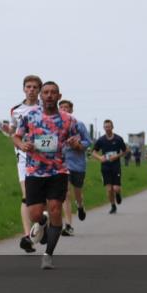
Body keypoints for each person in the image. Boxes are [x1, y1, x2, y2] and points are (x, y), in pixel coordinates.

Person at [12, 81, 81, 270]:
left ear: (59, 96)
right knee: (35, 214)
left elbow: (78, 141)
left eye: (53, 93)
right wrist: (22, 145)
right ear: (41, 96)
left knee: (55, 209)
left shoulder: (69, 120)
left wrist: (76, 143)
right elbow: (16, 136)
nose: (49, 95)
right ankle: (42, 223)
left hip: (58, 170)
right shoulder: (30, 116)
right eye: (46, 92)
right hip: (34, 171)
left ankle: (48, 254)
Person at [0, 75, 42, 253]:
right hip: (23, 156)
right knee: (27, 196)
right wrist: (8, 132)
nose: (31, 90)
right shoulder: (16, 110)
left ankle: (40, 227)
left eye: (34, 87)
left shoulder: (45, 108)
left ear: (39, 90)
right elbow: (14, 132)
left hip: (43, 157)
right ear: (24, 89)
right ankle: (27, 236)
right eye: (28, 87)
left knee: (42, 199)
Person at [58, 99, 90, 234]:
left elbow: (88, 142)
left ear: (71, 110)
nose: (64, 110)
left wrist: (77, 145)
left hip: (78, 164)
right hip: (62, 163)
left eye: (66, 108)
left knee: (77, 192)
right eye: (62, 108)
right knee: (65, 193)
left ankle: (80, 206)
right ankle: (68, 225)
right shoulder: (55, 125)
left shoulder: (79, 125)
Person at [91, 120, 128, 214]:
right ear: (104, 128)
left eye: (109, 126)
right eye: (105, 127)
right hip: (105, 166)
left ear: (112, 127)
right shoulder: (101, 140)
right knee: (109, 189)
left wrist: (116, 156)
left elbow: (125, 151)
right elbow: (93, 152)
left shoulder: (118, 139)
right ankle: (113, 206)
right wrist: (100, 158)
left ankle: (118, 194)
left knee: (116, 188)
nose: (107, 128)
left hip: (115, 165)